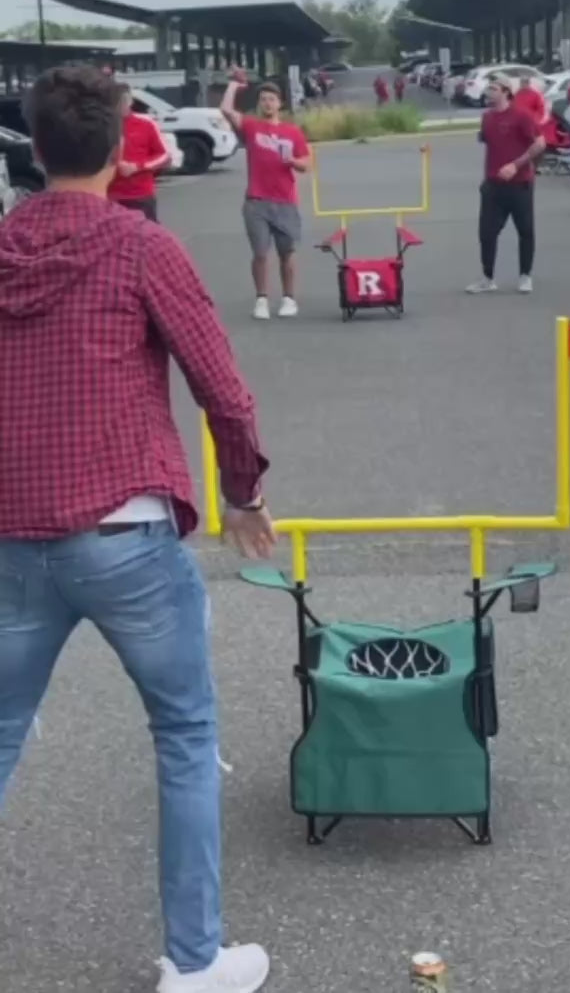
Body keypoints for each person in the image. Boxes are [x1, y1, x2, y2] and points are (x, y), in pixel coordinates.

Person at [0, 66, 274, 993]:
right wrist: (242, 492)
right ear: (123, 150)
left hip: (11, 535)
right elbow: (222, 388)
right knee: (185, 735)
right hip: (126, 529)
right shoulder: (140, 246)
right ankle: (195, 960)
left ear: (34, 149)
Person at [220, 69, 312, 321]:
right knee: (260, 253)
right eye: (263, 100)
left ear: (280, 103)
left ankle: (289, 298)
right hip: (256, 202)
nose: (267, 103)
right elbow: (226, 110)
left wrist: (293, 161)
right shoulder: (252, 127)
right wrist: (234, 84)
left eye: (271, 99)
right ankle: (261, 299)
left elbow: (306, 163)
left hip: (285, 201)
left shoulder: (292, 132)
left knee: (287, 253)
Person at [465, 73, 545, 295]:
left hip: (520, 184)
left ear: (506, 92)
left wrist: (516, 165)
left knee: (525, 231)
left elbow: (540, 143)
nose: (488, 92)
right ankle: (487, 278)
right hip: (493, 184)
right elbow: (487, 139)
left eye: (493, 88)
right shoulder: (487, 117)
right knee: (486, 233)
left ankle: (525, 276)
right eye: (488, 88)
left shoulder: (522, 115)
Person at [108, 84, 171, 220]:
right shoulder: (103, 126)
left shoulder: (146, 124)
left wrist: (137, 167)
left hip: (140, 195)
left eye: (124, 100)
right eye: (117, 101)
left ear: (130, 101)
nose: (121, 105)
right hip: (110, 196)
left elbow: (164, 155)